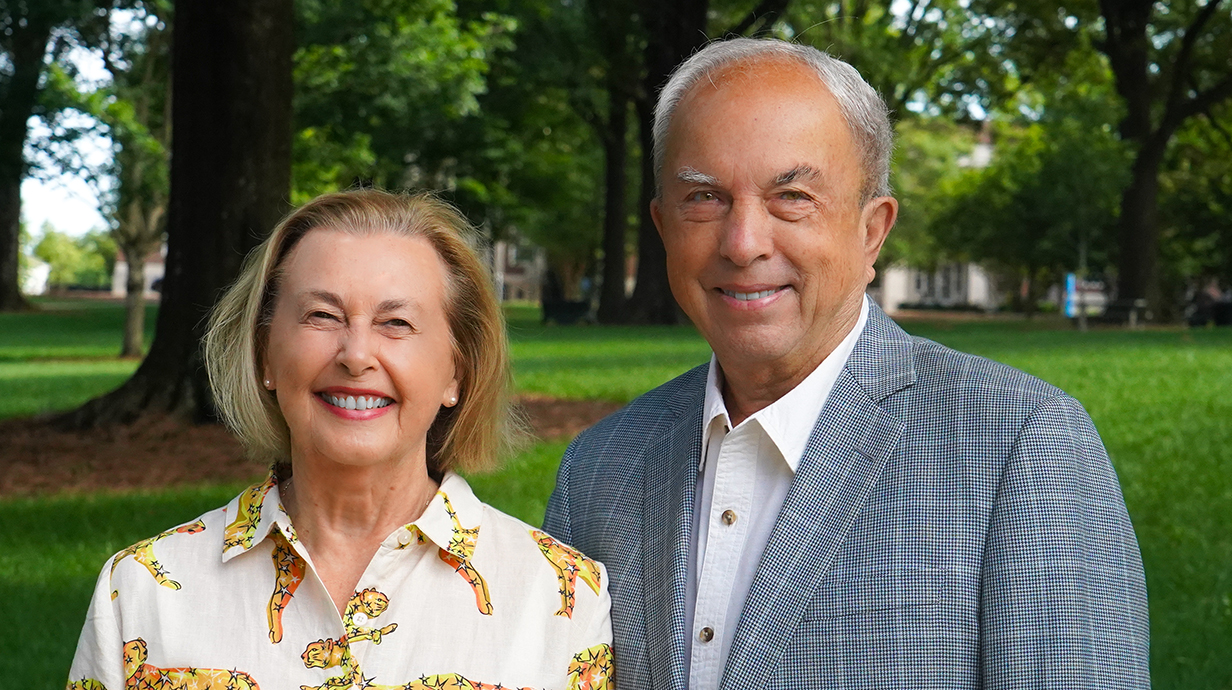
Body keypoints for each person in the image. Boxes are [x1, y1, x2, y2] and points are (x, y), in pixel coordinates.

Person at [544, 37, 1149, 690]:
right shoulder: (599, 469)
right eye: (705, 199)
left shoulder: (1020, 445)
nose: (743, 243)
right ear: (664, 229)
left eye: (792, 197)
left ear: (872, 232)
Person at [67, 190, 613, 690]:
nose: (355, 354)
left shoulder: (559, 597)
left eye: (396, 323)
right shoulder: (140, 594)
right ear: (264, 355)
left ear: (456, 372)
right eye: (322, 316)